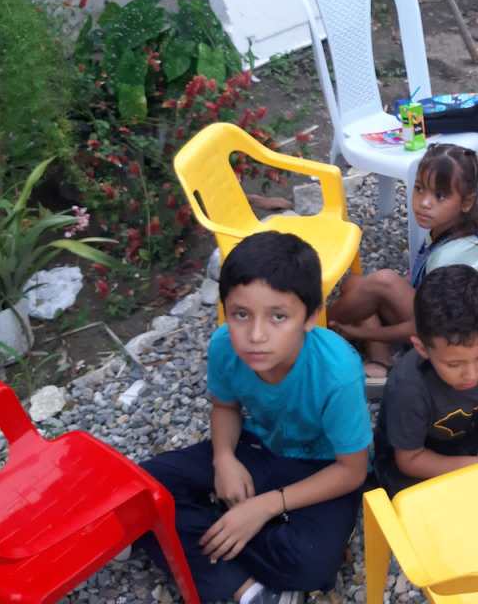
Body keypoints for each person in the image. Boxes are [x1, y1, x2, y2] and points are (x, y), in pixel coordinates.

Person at [135, 232, 371, 604]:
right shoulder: (224, 345)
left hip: (321, 467)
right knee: (143, 489)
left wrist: (266, 506)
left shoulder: (337, 373)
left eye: (278, 317)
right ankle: (248, 590)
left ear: (311, 316)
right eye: (241, 315)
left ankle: (208, 534)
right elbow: (225, 407)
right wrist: (223, 459)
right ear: (226, 310)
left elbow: (352, 471)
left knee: (313, 562)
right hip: (257, 448)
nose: (256, 335)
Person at [327, 143, 478, 393]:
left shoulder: (451, 256)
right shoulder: (449, 230)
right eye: (419, 189)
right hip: (439, 318)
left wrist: (360, 333)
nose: (424, 203)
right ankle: (380, 360)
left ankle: (314, 330)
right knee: (354, 284)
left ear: (466, 202)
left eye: (439, 196)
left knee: (382, 282)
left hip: (456, 342)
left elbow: (424, 327)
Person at [373, 264, 478, 497]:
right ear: (422, 348)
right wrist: (471, 466)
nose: (472, 374)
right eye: (454, 365)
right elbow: (409, 460)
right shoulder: (408, 386)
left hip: (467, 432)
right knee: (403, 489)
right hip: (422, 451)